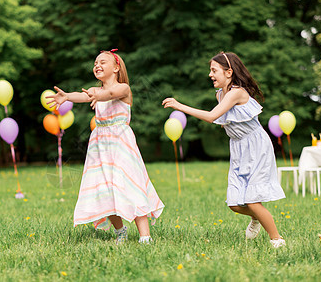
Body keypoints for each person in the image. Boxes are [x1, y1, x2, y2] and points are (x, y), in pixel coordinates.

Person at [162, 51, 286, 248]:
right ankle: (257, 219)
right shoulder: (220, 94)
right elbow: (225, 118)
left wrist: (179, 106)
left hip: (256, 147)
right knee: (235, 204)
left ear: (228, 72)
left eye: (214, 70)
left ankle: (277, 240)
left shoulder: (237, 92)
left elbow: (212, 117)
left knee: (253, 201)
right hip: (238, 147)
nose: (210, 74)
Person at [47, 49, 164, 244]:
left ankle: (145, 236)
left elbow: (111, 93)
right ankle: (120, 231)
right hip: (100, 146)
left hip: (120, 144)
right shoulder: (95, 92)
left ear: (116, 67)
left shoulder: (123, 88)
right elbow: (83, 95)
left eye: (102, 62)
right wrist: (67, 96)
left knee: (130, 185)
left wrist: (97, 95)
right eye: (95, 63)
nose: (97, 65)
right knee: (102, 189)